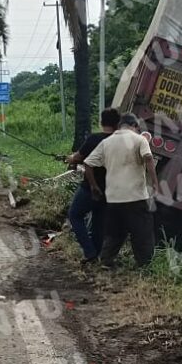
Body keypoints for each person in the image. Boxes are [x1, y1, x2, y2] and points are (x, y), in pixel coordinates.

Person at [84, 113, 159, 268]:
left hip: (114, 197)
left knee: (115, 232)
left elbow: (88, 163)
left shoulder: (107, 142)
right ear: (135, 126)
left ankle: (106, 261)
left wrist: (94, 186)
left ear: (119, 125)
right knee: (142, 233)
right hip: (135, 197)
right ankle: (145, 266)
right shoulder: (139, 139)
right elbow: (149, 158)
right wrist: (155, 183)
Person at [66, 108, 120, 263]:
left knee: (75, 215)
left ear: (101, 122)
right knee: (99, 222)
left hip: (90, 187)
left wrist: (69, 158)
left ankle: (89, 251)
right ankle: (95, 254)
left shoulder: (94, 139)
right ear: (117, 124)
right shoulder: (120, 143)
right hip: (110, 189)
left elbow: (78, 157)